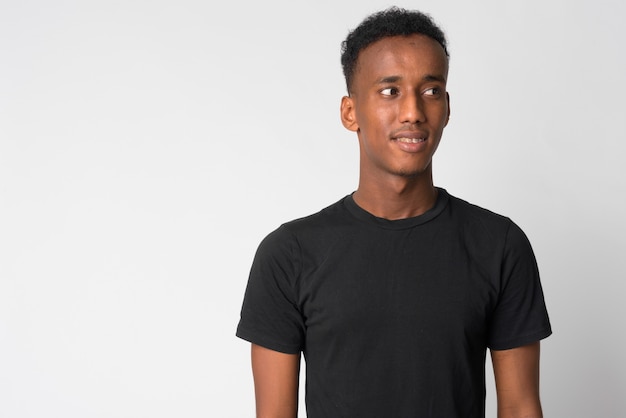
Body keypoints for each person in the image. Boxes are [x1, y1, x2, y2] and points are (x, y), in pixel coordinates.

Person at [236, 6, 551, 418]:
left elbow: (522, 407)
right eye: (390, 91)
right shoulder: (289, 254)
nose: (413, 112)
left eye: (431, 90)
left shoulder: (499, 245)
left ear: (448, 107)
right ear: (351, 112)